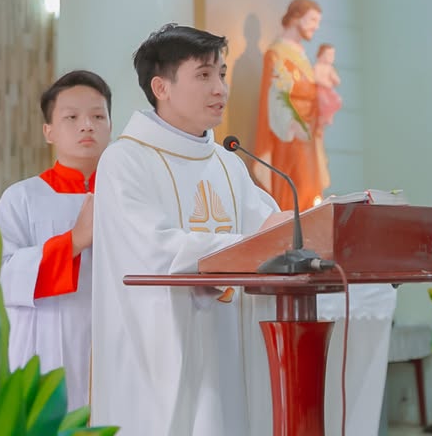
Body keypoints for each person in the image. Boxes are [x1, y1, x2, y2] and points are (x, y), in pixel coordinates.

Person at [89, 24, 289, 436]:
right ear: (161, 87)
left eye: (222, 74)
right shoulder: (125, 161)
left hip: (227, 349)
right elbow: (155, 251)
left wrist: (308, 225)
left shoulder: (228, 163)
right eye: (204, 75)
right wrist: (247, 246)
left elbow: (271, 234)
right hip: (160, 356)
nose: (220, 88)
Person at [0, 70, 112, 409]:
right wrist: (73, 242)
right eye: (71, 117)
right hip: (46, 344)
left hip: (116, 344)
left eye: (98, 116)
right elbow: (0, 275)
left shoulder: (130, 196)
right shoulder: (23, 197)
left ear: (110, 125)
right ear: (49, 131)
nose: (86, 126)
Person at [254, 0, 327, 211]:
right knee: (296, 189)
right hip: (290, 132)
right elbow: (275, 96)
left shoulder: (300, 52)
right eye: (312, 20)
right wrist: (291, 122)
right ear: (296, 18)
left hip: (308, 130)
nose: (316, 26)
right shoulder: (276, 52)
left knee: (311, 190)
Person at [314, 42, 343, 192]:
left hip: (327, 92)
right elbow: (315, 78)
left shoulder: (329, 68)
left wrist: (333, 78)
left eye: (332, 55)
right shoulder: (318, 67)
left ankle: (326, 118)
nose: (331, 58)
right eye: (328, 55)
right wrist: (326, 82)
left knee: (336, 101)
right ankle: (322, 119)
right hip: (320, 93)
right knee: (324, 103)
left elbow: (337, 80)